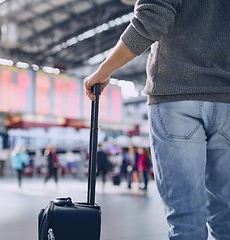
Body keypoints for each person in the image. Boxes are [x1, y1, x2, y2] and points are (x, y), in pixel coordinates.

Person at [83, 0, 230, 239]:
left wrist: (104, 70)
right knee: (227, 217)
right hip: (227, 101)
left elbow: (151, 19)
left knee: (186, 218)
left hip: (176, 97)